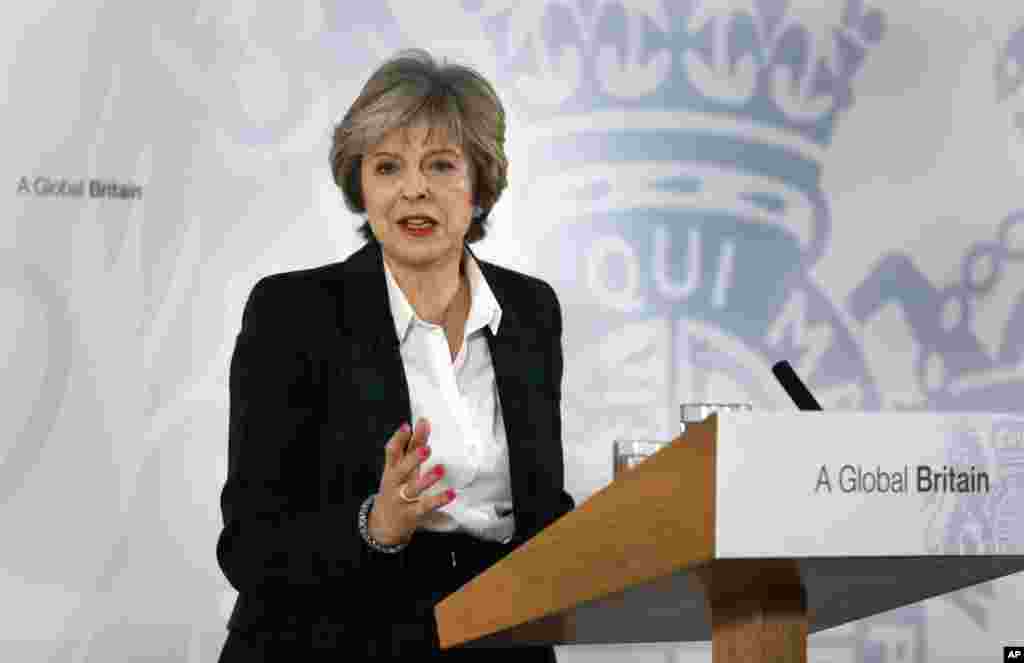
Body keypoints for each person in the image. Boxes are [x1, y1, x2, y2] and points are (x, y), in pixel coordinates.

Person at [216, 49, 575, 660]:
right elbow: (249, 546)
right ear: (360, 186)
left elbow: (542, 512)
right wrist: (374, 527)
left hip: (498, 636)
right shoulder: (294, 313)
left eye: (440, 165)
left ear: (480, 186)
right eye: (387, 167)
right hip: (334, 641)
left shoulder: (530, 312)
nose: (413, 189)